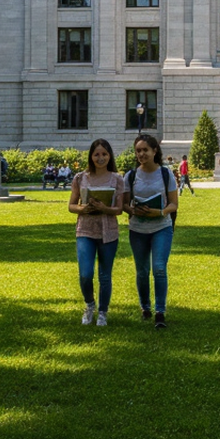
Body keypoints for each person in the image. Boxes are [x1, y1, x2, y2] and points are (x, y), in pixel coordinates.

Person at [124, 133, 178, 329]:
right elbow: (124, 205)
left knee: (159, 268)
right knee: (142, 271)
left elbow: (174, 204)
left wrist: (160, 212)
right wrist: (133, 209)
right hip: (137, 229)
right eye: (138, 150)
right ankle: (145, 306)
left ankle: (160, 312)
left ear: (155, 151)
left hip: (161, 227)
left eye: (145, 150)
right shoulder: (130, 176)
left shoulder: (165, 174)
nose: (141, 154)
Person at [68, 139, 124, 327]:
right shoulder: (80, 178)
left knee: (105, 275)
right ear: (91, 156)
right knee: (85, 273)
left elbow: (119, 209)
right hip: (85, 230)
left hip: (108, 231)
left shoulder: (117, 179)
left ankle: (103, 312)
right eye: (97, 154)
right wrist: (83, 209)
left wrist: (104, 208)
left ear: (110, 156)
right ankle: (90, 304)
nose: (101, 158)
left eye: (104, 154)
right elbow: (71, 205)